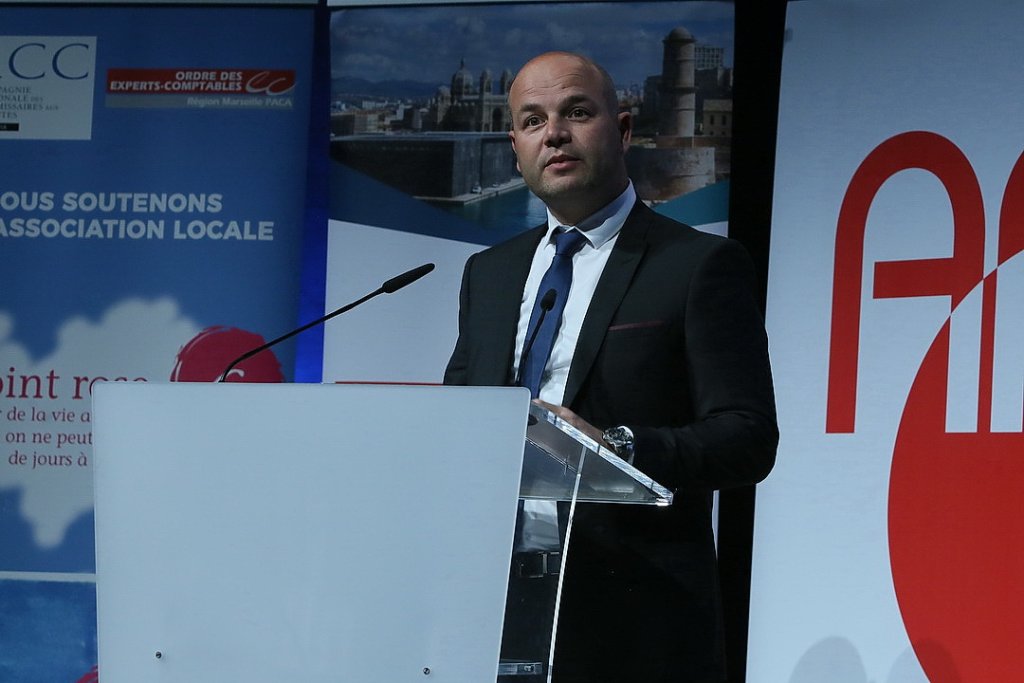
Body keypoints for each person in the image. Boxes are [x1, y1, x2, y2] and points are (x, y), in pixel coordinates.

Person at [444, 51, 778, 683]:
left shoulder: (697, 265)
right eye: (533, 120)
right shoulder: (486, 275)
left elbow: (748, 437)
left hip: (634, 618)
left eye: (576, 112)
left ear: (623, 130)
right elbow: (459, 420)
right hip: (488, 609)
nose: (555, 134)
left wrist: (615, 447)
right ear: (515, 146)